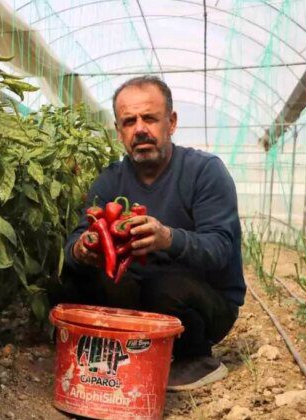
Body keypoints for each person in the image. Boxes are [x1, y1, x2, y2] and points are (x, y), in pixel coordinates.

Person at [59, 75, 245, 391]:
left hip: (203, 300)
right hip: (141, 296)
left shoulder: (205, 171)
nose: (140, 129)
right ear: (119, 132)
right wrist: (81, 250)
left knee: (164, 287)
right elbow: (74, 242)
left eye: (150, 118)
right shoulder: (110, 180)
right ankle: (113, 353)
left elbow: (221, 248)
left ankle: (196, 358)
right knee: (74, 280)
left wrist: (168, 238)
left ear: (170, 123)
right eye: (129, 121)